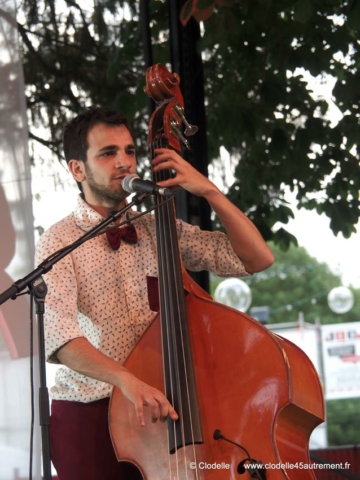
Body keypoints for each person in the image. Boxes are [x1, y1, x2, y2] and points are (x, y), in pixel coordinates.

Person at [35, 106, 274, 480]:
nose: (125, 163)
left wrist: (209, 191)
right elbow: (61, 337)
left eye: (130, 151)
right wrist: (126, 380)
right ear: (77, 169)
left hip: (163, 413)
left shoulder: (158, 228)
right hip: (90, 412)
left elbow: (256, 258)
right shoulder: (58, 240)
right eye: (108, 153)